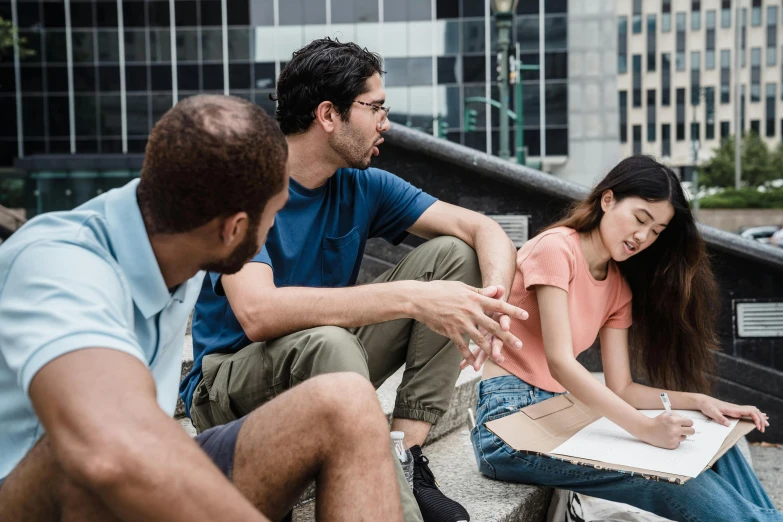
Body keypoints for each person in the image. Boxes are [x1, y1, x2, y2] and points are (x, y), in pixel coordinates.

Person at [0, 95, 404, 522]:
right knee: (83, 448)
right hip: (41, 494)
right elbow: (110, 454)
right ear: (233, 230)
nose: (275, 227)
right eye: (275, 214)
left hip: (135, 469)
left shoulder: (174, 233)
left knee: (346, 401)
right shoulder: (57, 266)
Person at [179, 38, 528, 522]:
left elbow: (482, 229)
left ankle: (405, 457)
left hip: (329, 358)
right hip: (231, 384)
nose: (386, 123)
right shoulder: (246, 184)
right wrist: (411, 297)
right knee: (329, 342)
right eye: (376, 108)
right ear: (328, 114)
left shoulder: (363, 184)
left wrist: (488, 302)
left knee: (454, 255)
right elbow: (258, 313)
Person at [470, 155, 781, 522]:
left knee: (714, 439)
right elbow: (560, 361)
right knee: (665, 479)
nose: (642, 237)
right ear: (607, 200)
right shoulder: (557, 248)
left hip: (560, 415)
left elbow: (622, 388)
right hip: (508, 425)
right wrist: (645, 428)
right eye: (640, 219)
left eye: (656, 231)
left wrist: (701, 401)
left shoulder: (618, 287)